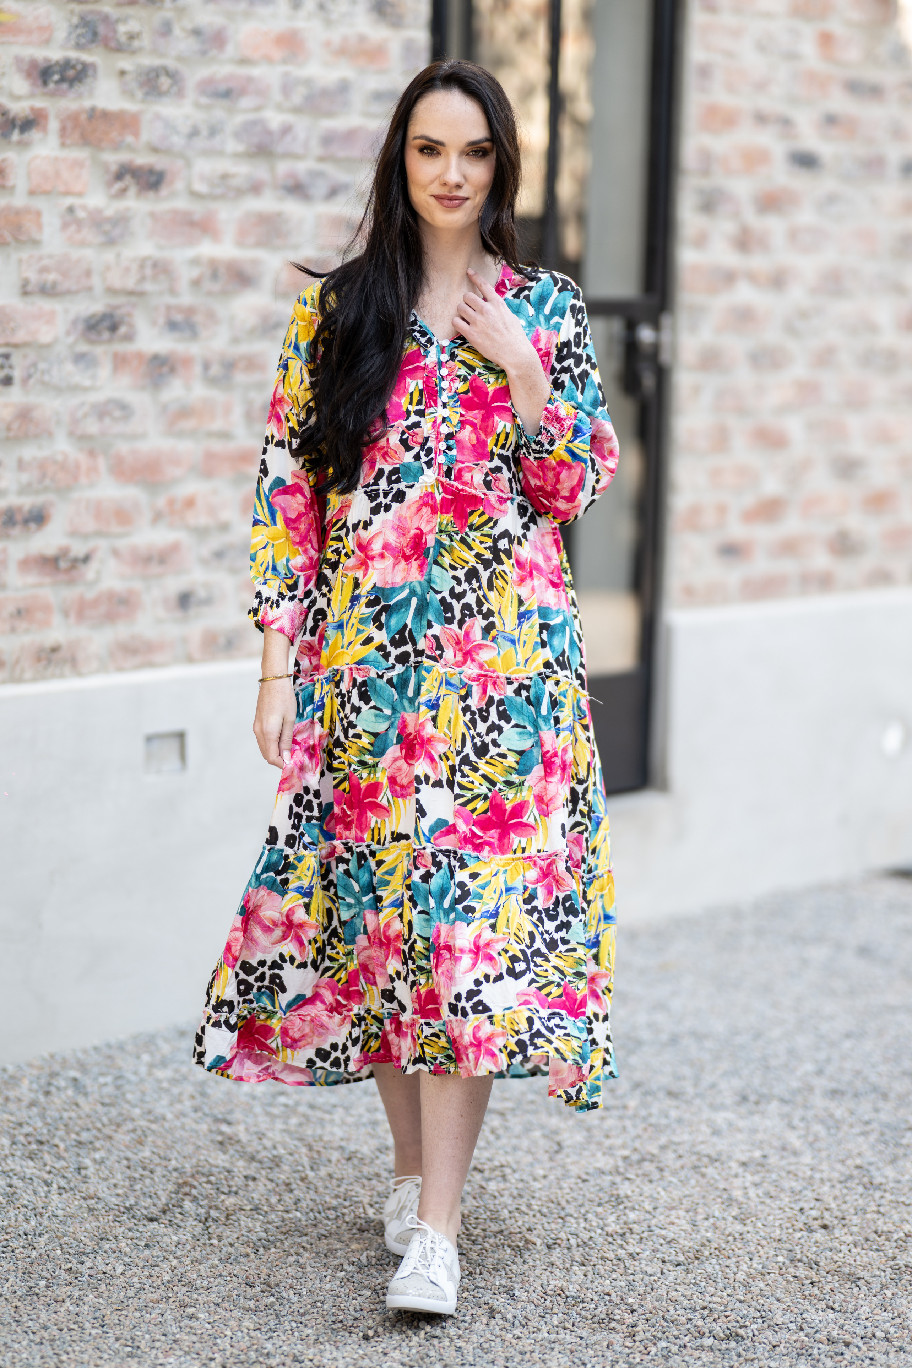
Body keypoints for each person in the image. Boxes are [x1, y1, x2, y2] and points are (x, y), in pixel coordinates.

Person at [194, 58, 619, 1317]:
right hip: (368, 672)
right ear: (401, 160)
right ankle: (409, 1171)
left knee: (469, 944)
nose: (451, 173)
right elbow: (289, 495)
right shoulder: (338, 314)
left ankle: (438, 1230)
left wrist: (526, 375)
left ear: (502, 166)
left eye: (474, 152)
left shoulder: (545, 308)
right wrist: (277, 666)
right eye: (430, 149)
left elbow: (575, 488)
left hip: (506, 680)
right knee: (386, 934)